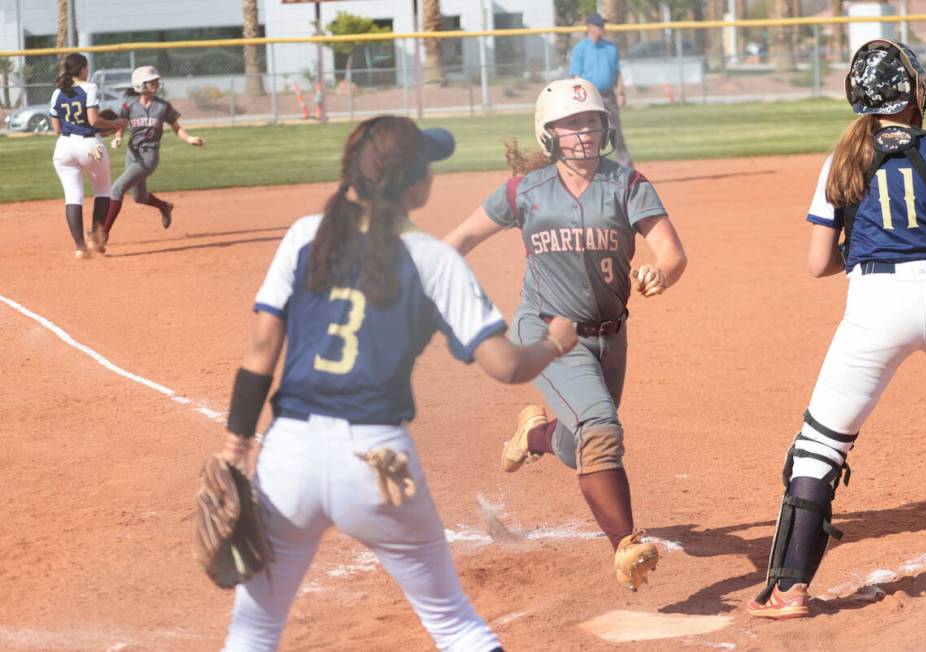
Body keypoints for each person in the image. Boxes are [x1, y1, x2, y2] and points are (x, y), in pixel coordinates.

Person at [217, 115, 578, 651]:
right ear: (416, 184)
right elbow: (504, 366)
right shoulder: (433, 259)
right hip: (377, 462)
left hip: (287, 456)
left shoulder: (304, 237)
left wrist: (234, 445)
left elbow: (261, 352)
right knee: (453, 624)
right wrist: (555, 343)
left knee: (254, 630)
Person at [747, 40, 926, 620]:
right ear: (913, 93)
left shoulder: (840, 162)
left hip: (875, 302)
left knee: (821, 446)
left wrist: (868, 243)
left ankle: (789, 590)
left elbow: (818, 263)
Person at [444, 78, 688, 592]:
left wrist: (660, 272)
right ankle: (626, 544)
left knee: (582, 446)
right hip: (549, 331)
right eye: (570, 124)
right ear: (548, 133)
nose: (582, 133)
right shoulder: (524, 192)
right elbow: (464, 235)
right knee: (601, 427)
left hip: (610, 336)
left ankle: (534, 434)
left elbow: (672, 251)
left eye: (591, 122)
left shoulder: (627, 184)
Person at [91, 66, 204, 252]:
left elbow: (176, 127)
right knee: (139, 197)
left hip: (148, 157)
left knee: (116, 189)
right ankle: (164, 207)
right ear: (140, 85)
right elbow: (121, 122)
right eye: (152, 81)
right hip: (131, 154)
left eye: (156, 81)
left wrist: (189, 138)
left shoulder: (163, 106)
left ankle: (103, 235)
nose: (156, 83)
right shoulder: (129, 104)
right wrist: (118, 137)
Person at [48, 53, 125, 259]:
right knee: (102, 190)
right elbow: (93, 120)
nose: (87, 70)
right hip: (89, 144)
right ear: (81, 68)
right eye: (86, 67)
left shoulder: (57, 92)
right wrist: (115, 124)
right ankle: (95, 238)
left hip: (63, 147)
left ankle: (80, 247)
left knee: (73, 197)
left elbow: (56, 128)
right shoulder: (89, 87)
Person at [569, 12, 632, 169]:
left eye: (602, 25)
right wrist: (579, 99)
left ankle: (627, 170)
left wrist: (621, 93)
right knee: (591, 133)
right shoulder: (580, 48)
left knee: (616, 133)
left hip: (608, 94)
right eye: (598, 25)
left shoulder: (610, 47)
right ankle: (591, 167)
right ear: (589, 27)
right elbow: (576, 76)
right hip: (589, 96)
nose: (601, 28)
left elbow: (617, 72)